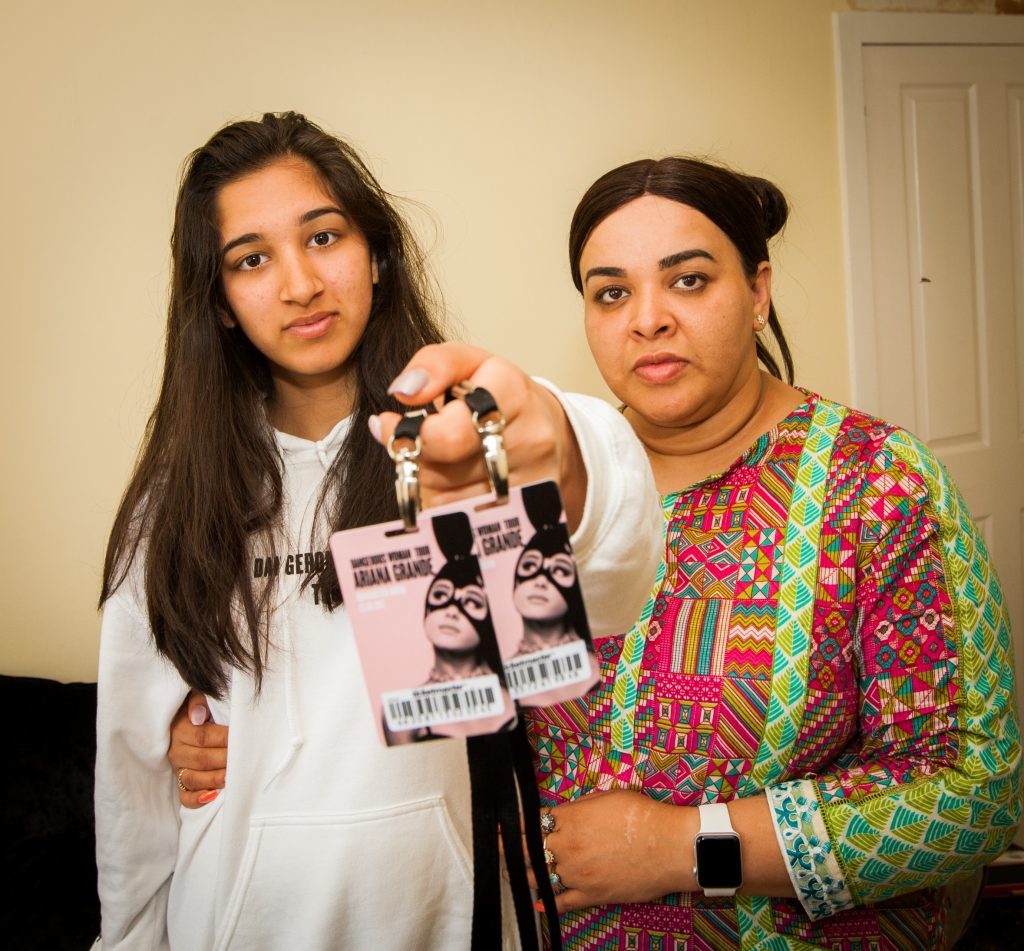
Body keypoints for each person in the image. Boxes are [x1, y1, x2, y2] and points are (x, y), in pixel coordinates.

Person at [167, 153, 1022, 949]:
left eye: (689, 280)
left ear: (758, 290)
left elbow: (974, 791)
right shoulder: (545, 481)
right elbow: (452, 695)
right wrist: (255, 733)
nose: (648, 319)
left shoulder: (875, 481)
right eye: (610, 293)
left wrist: (681, 845)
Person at [95, 112, 662, 950]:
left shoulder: (462, 444)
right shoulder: (176, 503)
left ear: (377, 254)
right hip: (233, 919)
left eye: (323, 237)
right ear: (217, 302)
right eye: (252, 259)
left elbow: (615, 580)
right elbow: (131, 766)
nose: (298, 283)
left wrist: (564, 453)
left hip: (450, 908)